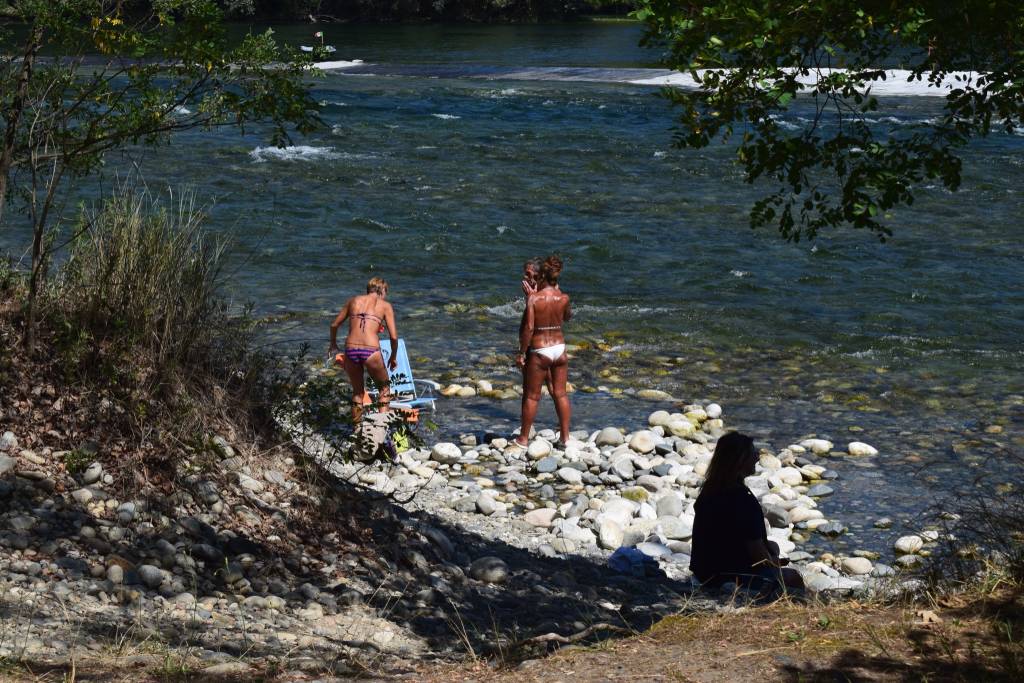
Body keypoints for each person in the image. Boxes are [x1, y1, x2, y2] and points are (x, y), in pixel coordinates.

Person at [690, 431, 804, 595]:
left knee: (773, 546)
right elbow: (758, 556)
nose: (757, 458)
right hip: (729, 576)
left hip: (704, 571)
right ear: (739, 460)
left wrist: (771, 555)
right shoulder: (741, 499)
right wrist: (773, 563)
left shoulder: (710, 489)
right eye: (753, 453)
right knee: (793, 577)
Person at [515, 255, 571, 448]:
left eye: (532, 275)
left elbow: (529, 327)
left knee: (532, 395)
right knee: (560, 393)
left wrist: (522, 353)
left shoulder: (535, 298)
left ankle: (523, 438)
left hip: (539, 348)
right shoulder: (562, 296)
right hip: (559, 347)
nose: (528, 278)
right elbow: (566, 316)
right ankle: (565, 437)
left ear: (541, 276)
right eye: (526, 274)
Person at [329, 277, 398, 422]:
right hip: (371, 350)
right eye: (386, 292)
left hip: (351, 349)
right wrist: (393, 356)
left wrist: (333, 344)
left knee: (358, 393)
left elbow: (334, 325)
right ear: (382, 290)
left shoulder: (353, 301)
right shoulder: (385, 306)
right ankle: (380, 431)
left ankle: (356, 433)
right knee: (384, 390)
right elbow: (393, 337)